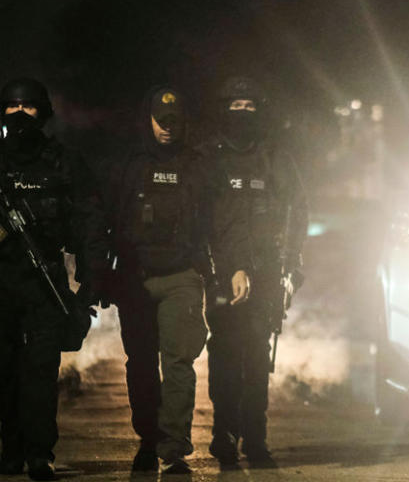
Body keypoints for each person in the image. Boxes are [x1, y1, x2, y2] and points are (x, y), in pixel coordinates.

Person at [0, 77, 107, 481]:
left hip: (43, 280)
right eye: (13, 107)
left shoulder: (63, 161)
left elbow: (89, 221)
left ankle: (39, 452)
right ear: (2, 113)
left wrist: (92, 275)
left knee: (42, 369)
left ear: (43, 113)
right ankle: (11, 446)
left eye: (29, 107)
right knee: (7, 368)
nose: (20, 114)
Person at [104, 85, 250, 474]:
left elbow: (224, 223)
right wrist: (99, 273)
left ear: (184, 122)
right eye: (160, 121)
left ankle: (173, 446)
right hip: (136, 277)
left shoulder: (200, 166)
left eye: (174, 121)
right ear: (148, 119)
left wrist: (235, 266)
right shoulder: (129, 165)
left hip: (183, 276)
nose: (167, 129)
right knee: (141, 365)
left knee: (180, 363)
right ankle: (148, 439)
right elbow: (102, 219)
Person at [198, 76, 307, 466]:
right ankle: (224, 436)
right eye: (235, 105)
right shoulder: (210, 157)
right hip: (223, 273)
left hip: (267, 273)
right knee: (225, 354)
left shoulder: (275, 157)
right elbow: (202, 220)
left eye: (250, 106)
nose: (242, 113)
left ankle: (256, 440)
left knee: (258, 358)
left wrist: (292, 269)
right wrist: (225, 268)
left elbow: (297, 214)